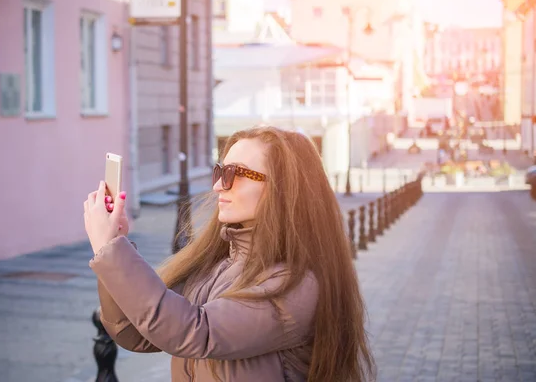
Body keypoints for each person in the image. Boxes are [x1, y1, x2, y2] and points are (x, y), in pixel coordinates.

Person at [83, 126, 375, 381]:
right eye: (220, 171)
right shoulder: (218, 265)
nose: (218, 185)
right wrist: (112, 244)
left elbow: (194, 333)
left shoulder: (297, 284)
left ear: (283, 189)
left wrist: (113, 252)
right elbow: (134, 332)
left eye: (235, 173)